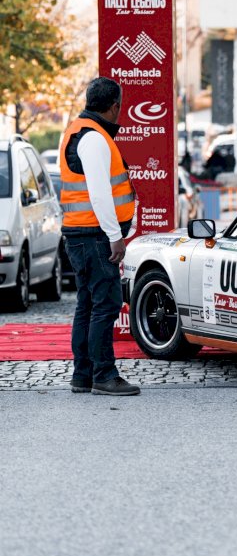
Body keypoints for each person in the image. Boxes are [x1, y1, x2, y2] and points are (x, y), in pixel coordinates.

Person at [60, 77, 140, 396]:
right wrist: (114, 236)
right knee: (105, 303)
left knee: (87, 303)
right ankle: (104, 375)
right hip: (94, 234)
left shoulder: (77, 131)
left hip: (80, 232)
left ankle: (84, 374)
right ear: (114, 106)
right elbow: (99, 193)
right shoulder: (93, 138)